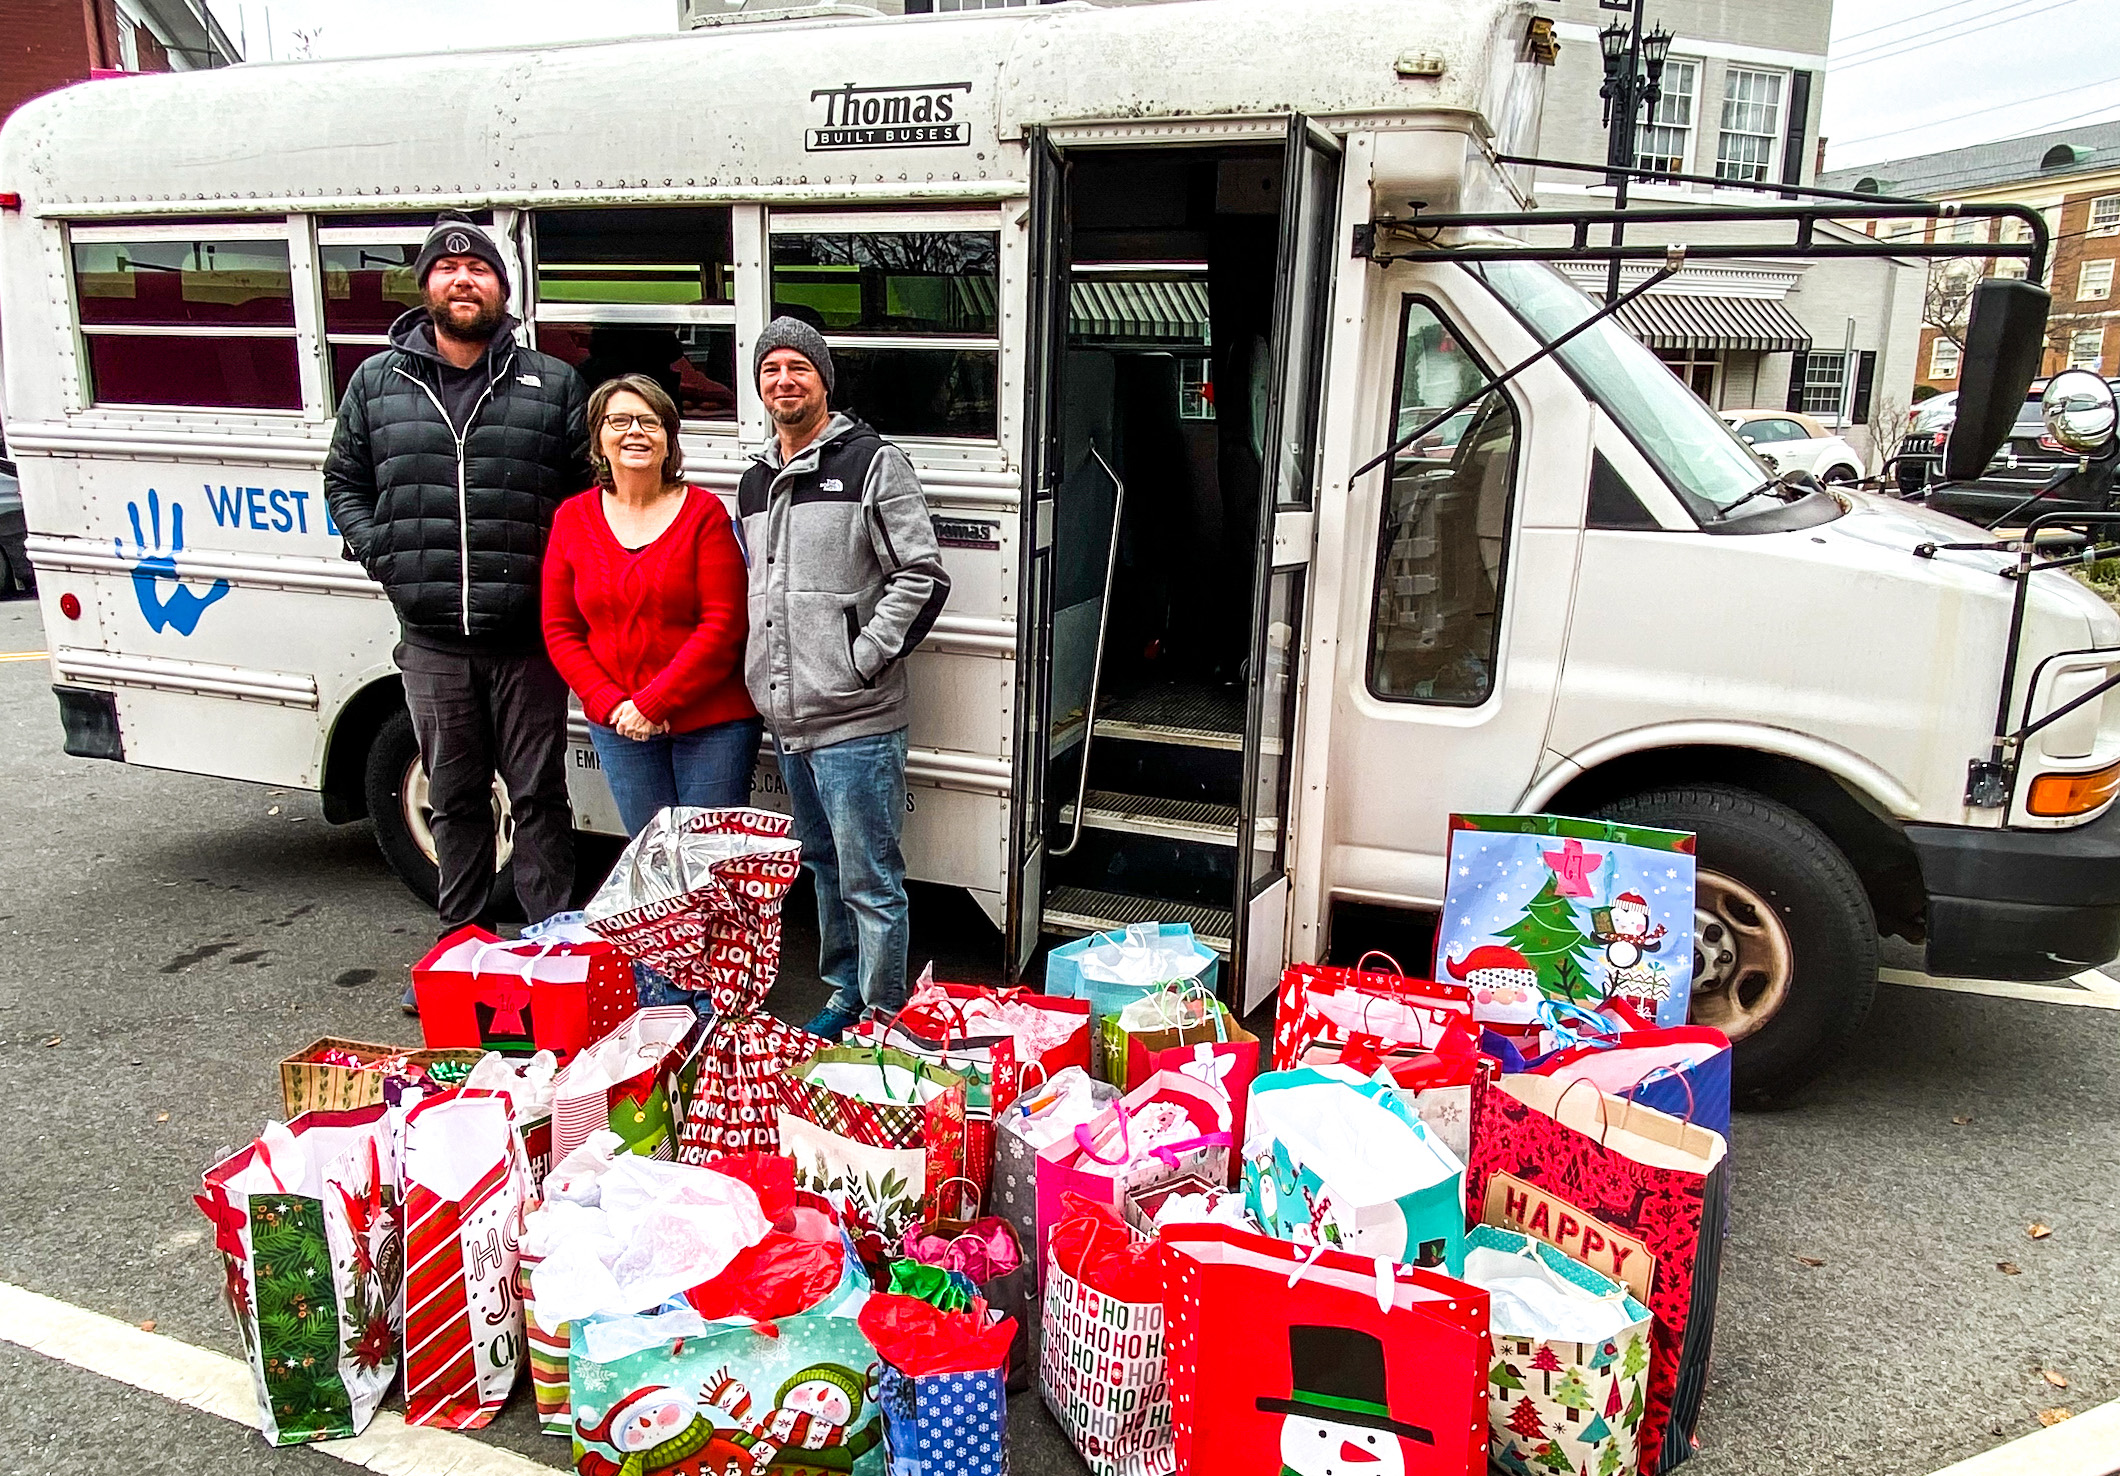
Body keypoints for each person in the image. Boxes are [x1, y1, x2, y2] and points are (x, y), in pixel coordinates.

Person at [324, 212, 590, 1007]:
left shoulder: (551, 383)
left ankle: (551, 951)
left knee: (540, 795)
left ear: (502, 290)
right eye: (447, 269)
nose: (462, 280)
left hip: (526, 636)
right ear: (426, 286)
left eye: (478, 270)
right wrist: (386, 556)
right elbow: (344, 481)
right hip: (433, 636)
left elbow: (584, 498)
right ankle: (463, 948)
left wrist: (561, 584)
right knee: (456, 794)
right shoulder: (378, 384)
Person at [738, 317, 949, 1040]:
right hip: (790, 718)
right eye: (771, 370)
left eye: (799, 367)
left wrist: (860, 660)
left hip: (856, 720)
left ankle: (884, 1012)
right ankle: (843, 994)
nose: (784, 381)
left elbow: (921, 575)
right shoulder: (755, 479)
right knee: (825, 868)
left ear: (825, 380)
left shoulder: (872, 463)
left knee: (870, 879)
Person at [543, 373, 760, 834]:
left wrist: (654, 703)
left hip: (712, 725)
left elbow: (724, 624)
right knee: (652, 862)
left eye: (649, 421)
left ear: (668, 440)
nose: (635, 432)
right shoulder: (573, 519)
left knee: (710, 869)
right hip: (619, 726)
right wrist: (610, 704)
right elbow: (560, 628)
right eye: (618, 420)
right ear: (598, 439)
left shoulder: (704, 514)